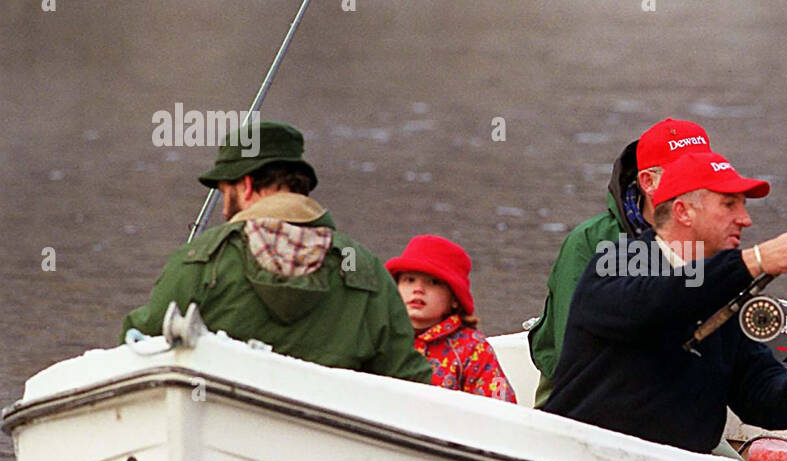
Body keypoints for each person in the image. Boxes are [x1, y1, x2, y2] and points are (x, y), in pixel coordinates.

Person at [542, 150, 787, 454]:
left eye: (744, 206)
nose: (745, 220)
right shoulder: (615, 261)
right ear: (683, 212)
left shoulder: (720, 289)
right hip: (584, 458)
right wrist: (753, 261)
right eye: (729, 204)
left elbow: (754, 382)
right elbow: (654, 305)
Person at [120, 121, 432, 384]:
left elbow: (139, 344)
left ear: (246, 185)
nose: (224, 208)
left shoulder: (201, 257)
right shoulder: (363, 267)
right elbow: (406, 378)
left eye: (225, 194)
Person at [528, 117, 707, 407]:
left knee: (725, 455)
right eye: (686, 173)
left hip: (674, 407)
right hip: (579, 406)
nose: (703, 185)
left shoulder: (709, 239)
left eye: (704, 172)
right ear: (649, 182)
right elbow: (572, 355)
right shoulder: (588, 242)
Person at [386, 235, 517, 402]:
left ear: (455, 299)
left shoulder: (473, 349)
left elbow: (502, 409)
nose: (418, 289)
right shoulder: (380, 336)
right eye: (409, 280)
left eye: (433, 282)